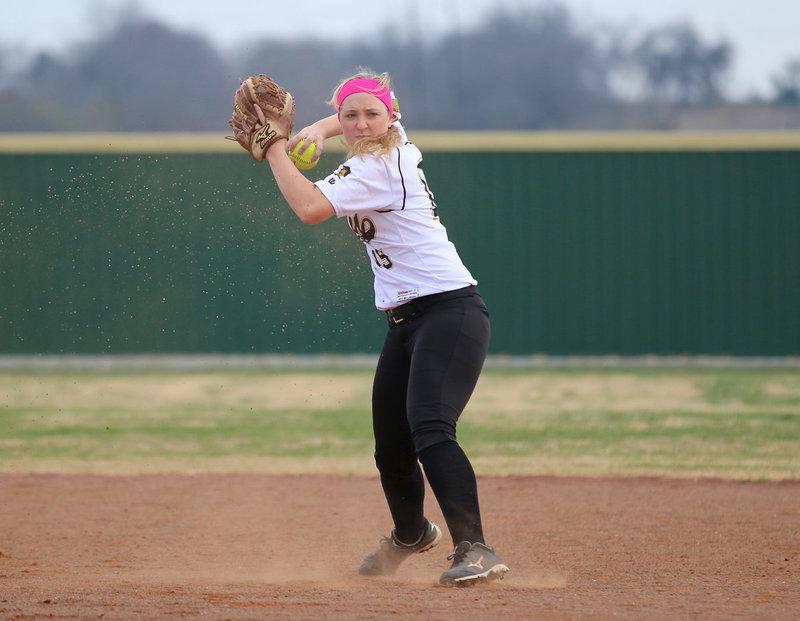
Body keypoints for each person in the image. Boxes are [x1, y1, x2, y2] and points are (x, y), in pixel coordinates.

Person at [262, 68, 509, 586]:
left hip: (449, 312)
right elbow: (362, 112)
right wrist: (322, 129)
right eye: (350, 115)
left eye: (371, 114)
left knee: (431, 431)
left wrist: (276, 150)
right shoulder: (392, 147)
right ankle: (411, 532)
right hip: (406, 320)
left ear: (389, 116)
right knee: (390, 446)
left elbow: (309, 208)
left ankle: (477, 548)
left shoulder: (380, 166)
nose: (360, 123)